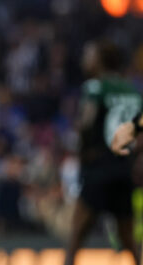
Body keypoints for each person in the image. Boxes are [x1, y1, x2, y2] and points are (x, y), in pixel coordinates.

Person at [65, 41, 140, 265]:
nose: (84, 59)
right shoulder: (133, 91)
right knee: (128, 238)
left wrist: (82, 152)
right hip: (124, 169)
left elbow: (87, 125)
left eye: (89, 54)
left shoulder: (95, 88)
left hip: (98, 166)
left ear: (100, 60)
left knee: (76, 234)